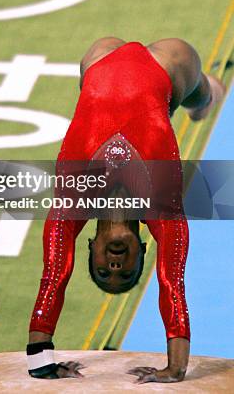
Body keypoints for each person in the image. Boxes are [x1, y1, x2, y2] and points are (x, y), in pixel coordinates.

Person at [26, 38, 226, 384]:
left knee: (97, 73)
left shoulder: (73, 200)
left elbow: (54, 276)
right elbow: (172, 282)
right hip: (168, 69)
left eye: (104, 272)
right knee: (201, 96)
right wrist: (175, 368)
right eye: (125, 272)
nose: (115, 266)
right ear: (143, 251)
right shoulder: (163, 208)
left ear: (89, 248)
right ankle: (209, 96)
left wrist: (40, 361)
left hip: (100, 61)